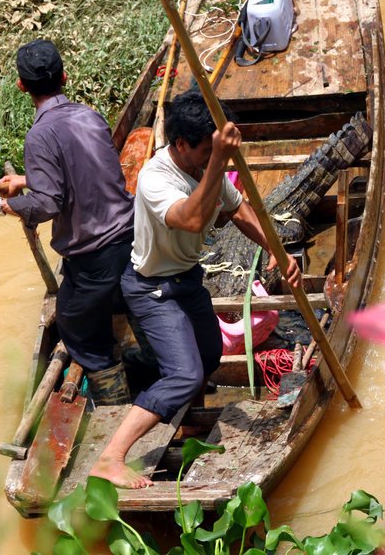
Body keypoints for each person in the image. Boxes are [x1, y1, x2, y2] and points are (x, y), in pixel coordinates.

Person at [89, 89, 302, 488]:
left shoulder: (205, 167)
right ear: (181, 145)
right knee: (185, 375)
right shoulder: (156, 177)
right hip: (151, 289)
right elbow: (188, 218)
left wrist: (278, 250)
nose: (210, 156)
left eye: (213, 149)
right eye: (205, 149)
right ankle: (111, 458)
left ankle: (181, 418)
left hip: (187, 280)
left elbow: (237, 209)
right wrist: (219, 160)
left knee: (207, 357)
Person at [0, 39, 134, 403]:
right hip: (131, 238)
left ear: (22, 86)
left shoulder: (39, 136)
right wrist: (24, 180)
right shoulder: (89, 115)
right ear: (65, 77)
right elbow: (84, 172)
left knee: (74, 324)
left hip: (95, 257)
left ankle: (115, 403)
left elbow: (47, 205)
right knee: (113, 304)